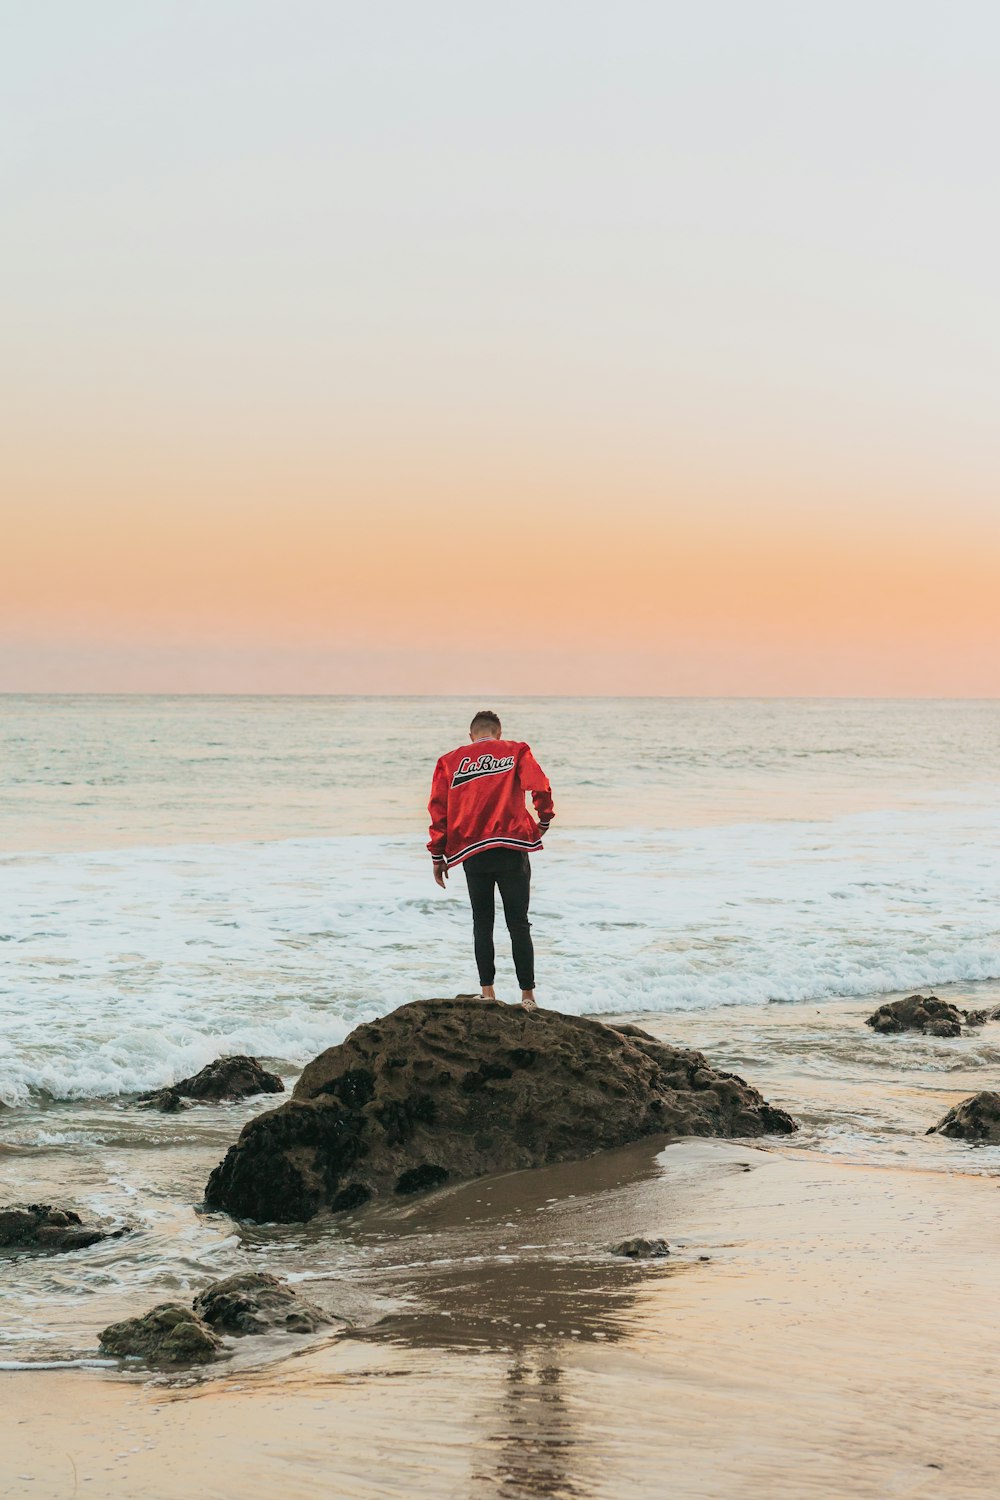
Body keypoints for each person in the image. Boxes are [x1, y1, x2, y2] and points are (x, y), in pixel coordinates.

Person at [427, 710, 555, 1010]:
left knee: (482, 924)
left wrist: (437, 854)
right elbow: (540, 785)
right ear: (499, 732)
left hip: (473, 852)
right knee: (518, 924)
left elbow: (438, 808)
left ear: (471, 735)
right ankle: (527, 997)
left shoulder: (449, 761)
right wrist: (544, 819)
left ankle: (487, 993)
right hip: (512, 847)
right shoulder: (516, 750)